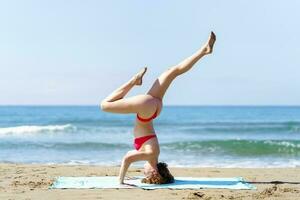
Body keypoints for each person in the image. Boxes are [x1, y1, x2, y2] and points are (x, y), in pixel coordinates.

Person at [100, 32, 216, 184]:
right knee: (104, 105)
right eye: (148, 175)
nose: (144, 173)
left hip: (154, 109)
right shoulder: (150, 155)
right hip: (145, 109)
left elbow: (130, 153)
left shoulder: (153, 154)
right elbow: (127, 158)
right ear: (155, 172)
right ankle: (134, 81)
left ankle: (203, 51)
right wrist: (120, 181)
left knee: (172, 72)